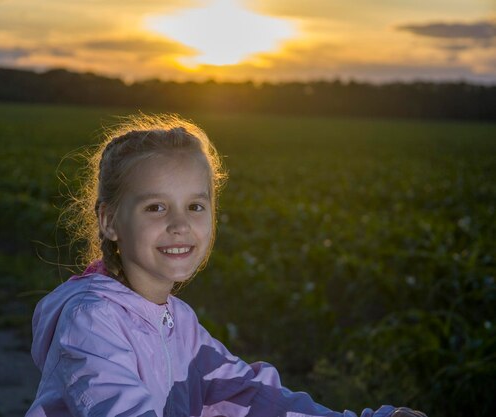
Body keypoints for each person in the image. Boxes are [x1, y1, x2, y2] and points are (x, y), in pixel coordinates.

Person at [25, 114, 426, 417]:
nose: (180, 224)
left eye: (195, 206)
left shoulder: (180, 323)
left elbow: (249, 394)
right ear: (110, 220)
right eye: (156, 206)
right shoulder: (91, 321)